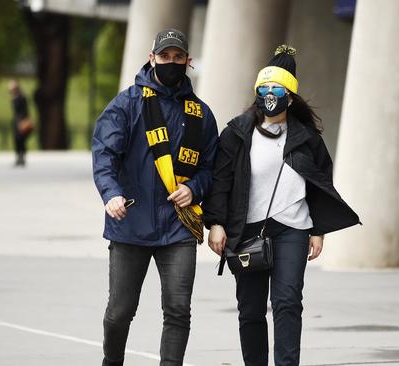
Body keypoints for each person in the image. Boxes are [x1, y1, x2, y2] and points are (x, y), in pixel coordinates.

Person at [203, 45, 360, 366]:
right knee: (250, 309)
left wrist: (318, 230)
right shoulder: (236, 133)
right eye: (264, 88)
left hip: (293, 229)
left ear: (290, 97)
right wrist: (216, 223)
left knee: (288, 302)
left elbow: (320, 183)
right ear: (256, 92)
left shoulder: (306, 138)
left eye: (277, 89)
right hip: (246, 230)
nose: (269, 94)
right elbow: (221, 180)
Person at [91, 28, 218, 366]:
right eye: (165, 57)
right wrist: (111, 194)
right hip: (130, 224)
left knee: (178, 310)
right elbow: (104, 155)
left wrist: (195, 187)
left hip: (178, 228)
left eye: (178, 57)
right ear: (152, 59)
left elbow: (212, 167)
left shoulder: (201, 113)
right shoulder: (127, 104)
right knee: (120, 311)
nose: (172, 63)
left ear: (188, 61)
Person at [8, 80, 30, 167]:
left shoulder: (21, 97)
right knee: (16, 140)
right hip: (16, 120)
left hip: (22, 120)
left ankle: (22, 157)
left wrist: (25, 120)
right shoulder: (15, 97)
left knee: (21, 140)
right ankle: (18, 157)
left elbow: (25, 110)